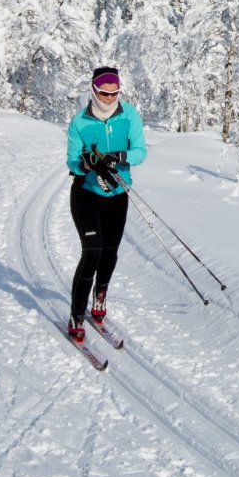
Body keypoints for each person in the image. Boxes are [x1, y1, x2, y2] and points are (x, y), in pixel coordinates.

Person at [64, 65, 147, 342]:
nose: (110, 98)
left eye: (115, 93)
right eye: (104, 92)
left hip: (117, 194)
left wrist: (119, 156)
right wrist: (85, 163)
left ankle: (100, 297)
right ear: (94, 90)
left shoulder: (129, 115)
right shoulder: (80, 122)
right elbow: (72, 161)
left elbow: (140, 151)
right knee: (93, 253)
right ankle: (77, 313)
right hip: (87, 195)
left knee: (110, 253)